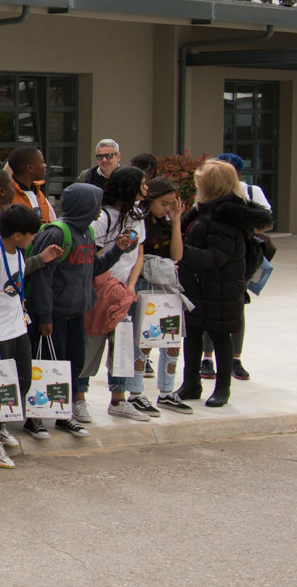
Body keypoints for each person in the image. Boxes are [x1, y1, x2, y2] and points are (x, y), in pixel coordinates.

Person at [26, 182, 133, 433]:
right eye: (96, 204)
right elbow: (42, 277)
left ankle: (63, 414)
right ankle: (35, 417)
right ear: (83, 205)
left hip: (76, 313)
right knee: (47, 364)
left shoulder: (87, 233)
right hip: (54, 314)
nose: (99, 211)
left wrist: (117, 250)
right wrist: (44, 315)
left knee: (73, 364)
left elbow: (92, 269)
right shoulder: (56, 233)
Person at [177, 160, 273, 407]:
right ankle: (191, 384)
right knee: (193, 334)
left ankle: (222, 389)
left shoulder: (225, 216)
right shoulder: (206, 209)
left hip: (221, 287)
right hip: (200, 285)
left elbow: (217, 257)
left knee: (220, 336)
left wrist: (181, 253)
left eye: (201, 181)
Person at [0, 205, 61, 457]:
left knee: (22, 381)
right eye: (32, 234)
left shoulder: (20, 252)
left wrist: (42, 258)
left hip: (17, 327)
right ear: (19, 235)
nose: (34, 238)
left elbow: (18, 273)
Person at [84, 168, 152, 422]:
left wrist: (132, 285)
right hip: (101, 290)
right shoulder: (103, 218)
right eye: (143, 184)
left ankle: (118, 399)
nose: (147, 189)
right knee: (91, 343)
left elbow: (138, 254)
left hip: (125, 292)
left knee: (124, 346)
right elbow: (94, 256)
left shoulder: (137, 215)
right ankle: (80, 398)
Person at [137, 177, 189, 412]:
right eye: (164, 203)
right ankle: (136, 392)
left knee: (171, 340)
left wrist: (176, 221)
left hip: (166, 289)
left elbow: (177, 254)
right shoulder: (138, 221)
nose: (168, 208)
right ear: (151, 199)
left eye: (171, 204)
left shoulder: (168, 224)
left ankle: (167, 391)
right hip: (144, 286)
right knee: (143, 342)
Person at [7, 147, 56, 224]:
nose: (45, 165)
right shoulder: (8, 196)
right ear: (30, 168)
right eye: (42, 162)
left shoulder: (38, 192)